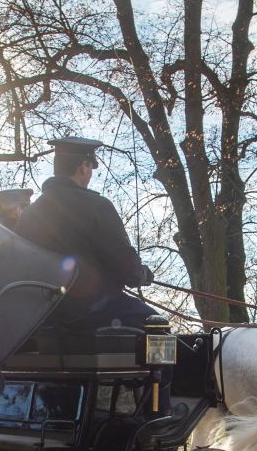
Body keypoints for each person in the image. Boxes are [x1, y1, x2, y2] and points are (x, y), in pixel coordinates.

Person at [13, 137, 157, 331]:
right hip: (93, 312)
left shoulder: (28, 214)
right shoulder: (97, 206)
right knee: (157, 326)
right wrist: (142, 275)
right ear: (83, 166)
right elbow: (125, 266)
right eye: (90, 168)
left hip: (43, 315)